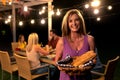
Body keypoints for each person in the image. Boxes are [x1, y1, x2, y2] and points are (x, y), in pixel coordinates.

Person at [55, 9, 96, 80]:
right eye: (70, 21)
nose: (74, 23)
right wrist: (60, 67)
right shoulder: (62, 41)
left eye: (76, 20)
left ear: (81, 21)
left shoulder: (90, 39)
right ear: (67, 24)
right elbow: (57, 61)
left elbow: (93, 60)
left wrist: (86, 67)